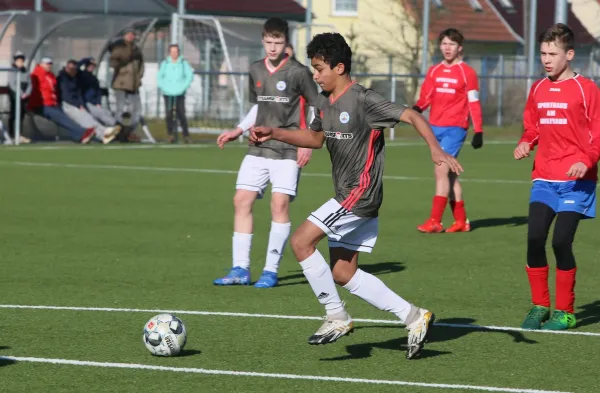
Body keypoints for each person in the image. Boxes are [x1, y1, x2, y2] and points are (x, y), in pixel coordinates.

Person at [250, 32, 463, 359]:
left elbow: (412, 115)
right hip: (348, 193)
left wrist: (435, 149)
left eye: (320, 69)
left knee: (301, 242)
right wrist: (274, 132)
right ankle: (414, 316)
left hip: (359, 194)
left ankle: (336, 316)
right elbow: (315, 138)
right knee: (342, 272)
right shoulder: (323, 100)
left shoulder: (364, 99)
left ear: (339, 67)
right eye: (313, 69)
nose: (315, 76)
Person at [213, 17, 318, 288]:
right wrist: (238, 129)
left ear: (286, 42)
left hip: (288, 148)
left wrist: (307, 142)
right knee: (241, 200)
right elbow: (258, 108)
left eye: (278, 42)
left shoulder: (299, 72)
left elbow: (315, 108)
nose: (273, 47)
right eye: (269, 42)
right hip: (258, 146)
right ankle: (240, 269)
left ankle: (270, 271)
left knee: (279, 205)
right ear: (263, 40)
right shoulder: (256, 70)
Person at [514, 23, 600, 331]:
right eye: (542, 54)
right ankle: (540, 306)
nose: (546, 60)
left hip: (578, 182)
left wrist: (586, 160)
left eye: (553, 54)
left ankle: (565, 311)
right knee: (535, 237)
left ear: (570, 54)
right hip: (545, 178)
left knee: (561, 241)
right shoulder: (537, 89)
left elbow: (597, 134)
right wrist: (527, 141)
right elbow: (533, 126)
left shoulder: (586, 89)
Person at [412, 28, 484, 233]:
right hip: (434, 127)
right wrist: (417, 109)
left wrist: (478, 130)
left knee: (440, 169)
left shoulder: (467, 72)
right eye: (444, 43)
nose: (447, 48)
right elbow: (426, 96)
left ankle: (435, 220)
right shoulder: (434, 71)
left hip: (455, 129)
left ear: (459, 47)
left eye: (451, 44)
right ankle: (461, 221)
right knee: (450, 176)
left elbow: (473, 103)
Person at [28, 57, 95, 144]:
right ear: (41, 64)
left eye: (50, 63)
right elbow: (32, 90)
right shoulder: (36, 74)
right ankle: (82, 133)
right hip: (41, 104)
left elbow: (55, 89)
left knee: (65, 116)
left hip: (52, 103)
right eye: (47, 63)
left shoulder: (50, 75)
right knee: (61, 117)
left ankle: (79, 135)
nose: (49, 65)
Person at [57, 59, 119, 144]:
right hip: (69, 104)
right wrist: (79, 105)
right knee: (86, 119)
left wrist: (81, 104)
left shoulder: (75, 78)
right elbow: (67, 96)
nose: (73, 71)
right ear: (66, 68)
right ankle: (104, 133)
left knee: (89, 118)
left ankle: (104, 134)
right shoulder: (63, 78)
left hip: (77, 104)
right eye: (71, 69)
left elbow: (78, 94)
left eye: (74, 69)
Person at [109, 27, 144, 142]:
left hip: (134, 84)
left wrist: (139, 77)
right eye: (128, 34)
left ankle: (130, 132)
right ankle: (118, 133)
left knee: (137, 109)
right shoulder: (119, 47)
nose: (131, 36)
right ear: (124, 36)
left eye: (132, 34)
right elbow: (113, 62)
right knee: (120, 109)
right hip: (121, 82)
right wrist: (123, 64)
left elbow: (141, 64)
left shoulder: (136, 49)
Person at [157, 44, 194, 143]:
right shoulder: (165, 63)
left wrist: (183, 87)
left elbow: (189, 75)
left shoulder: (183, 63)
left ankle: (186, 135)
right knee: (169, 114)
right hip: (168, 93)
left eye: (176, 51)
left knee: (181, 114)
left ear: (179, 52)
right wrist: (164, 87)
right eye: (172, 52)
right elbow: (160, 77)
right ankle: (170, 135)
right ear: (169, 53)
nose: (174, 54)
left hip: (179, 93)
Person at [78, 57, 122, 137]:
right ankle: (117, 126)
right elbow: (77, 66)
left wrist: (98, 102)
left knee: (106, 113)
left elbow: (98, 92)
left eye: (93, 66)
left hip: (94, 103)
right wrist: (87, 60)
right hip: (85, 103)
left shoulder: (94, 78)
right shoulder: (81, 75)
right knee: (101, 114)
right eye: (90, 66)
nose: (91, 67)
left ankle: (114, 131)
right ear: (86, 66)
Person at [7, 51, 32, 144]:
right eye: (18, 60)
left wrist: (27, 93)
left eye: (22, 60)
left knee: (21, 115)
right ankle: (11, 135)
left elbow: (30, 84)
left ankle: (19, 134)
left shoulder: (26, 71)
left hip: (24, 96)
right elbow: (13, 84)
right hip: (15, 95)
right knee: (13, 114)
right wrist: (21, 93)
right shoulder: (12, 70)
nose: (20, 63)